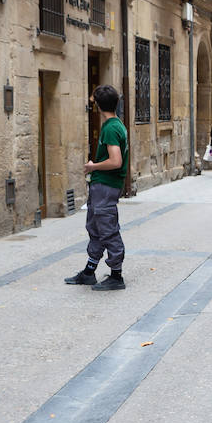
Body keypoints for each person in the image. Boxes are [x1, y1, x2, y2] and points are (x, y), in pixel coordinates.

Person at [65, 85, 128, 291]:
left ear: (99, 106)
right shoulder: (116, 124)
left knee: (107, 230)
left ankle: (116, 276)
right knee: (96, 227)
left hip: (106, 186)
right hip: (102, 186)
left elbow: (116, 161)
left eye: (94, 103)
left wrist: (93, 166)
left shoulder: (111, 128)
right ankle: (89, 272)